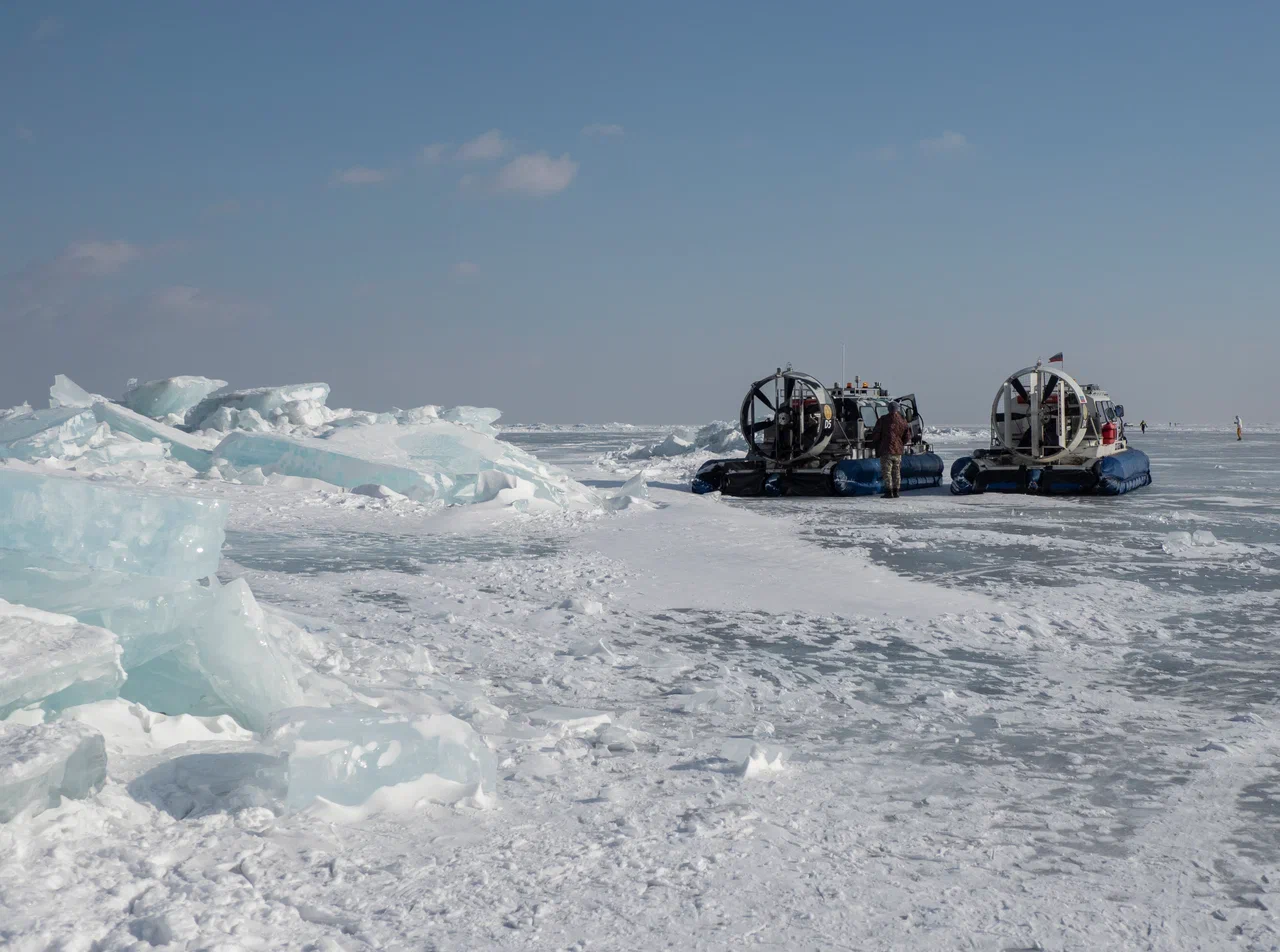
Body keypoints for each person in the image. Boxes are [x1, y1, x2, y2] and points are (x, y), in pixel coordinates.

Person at [867, 401, 913, 499]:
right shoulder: (903, 420)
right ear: (897, 409)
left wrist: (877, 443)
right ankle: (896, 491)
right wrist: (900, 443)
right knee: (896, 472)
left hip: (886, 450)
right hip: (898, 451)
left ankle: (889, 492)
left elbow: (876, 434)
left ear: (888, 409)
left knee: (887, 472)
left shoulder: (883, 420)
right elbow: (907, 436)